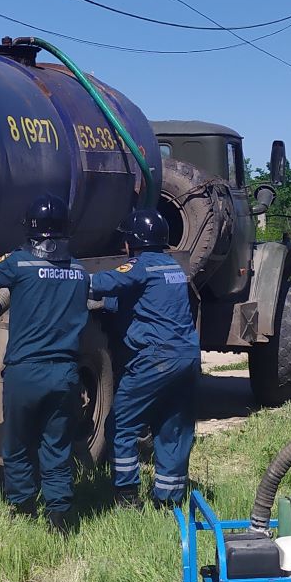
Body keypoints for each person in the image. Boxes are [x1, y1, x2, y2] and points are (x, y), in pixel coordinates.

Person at [0, 194, 91, 535]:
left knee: (17, 445)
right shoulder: (80, 272)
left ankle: (23, 511)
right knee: (56, 446)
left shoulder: (18, 264)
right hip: (65, 374)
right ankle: (60, 518)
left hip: (26, 373)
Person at [89, 207, 198, 508]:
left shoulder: (140, 266)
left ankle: (126, 496)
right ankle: (169, 501)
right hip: (186, 356)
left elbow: (99, 284)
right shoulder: (173, 267)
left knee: (122, 424)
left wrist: (64, 273)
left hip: (155, 359)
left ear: (131, 242)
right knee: (172, 428)